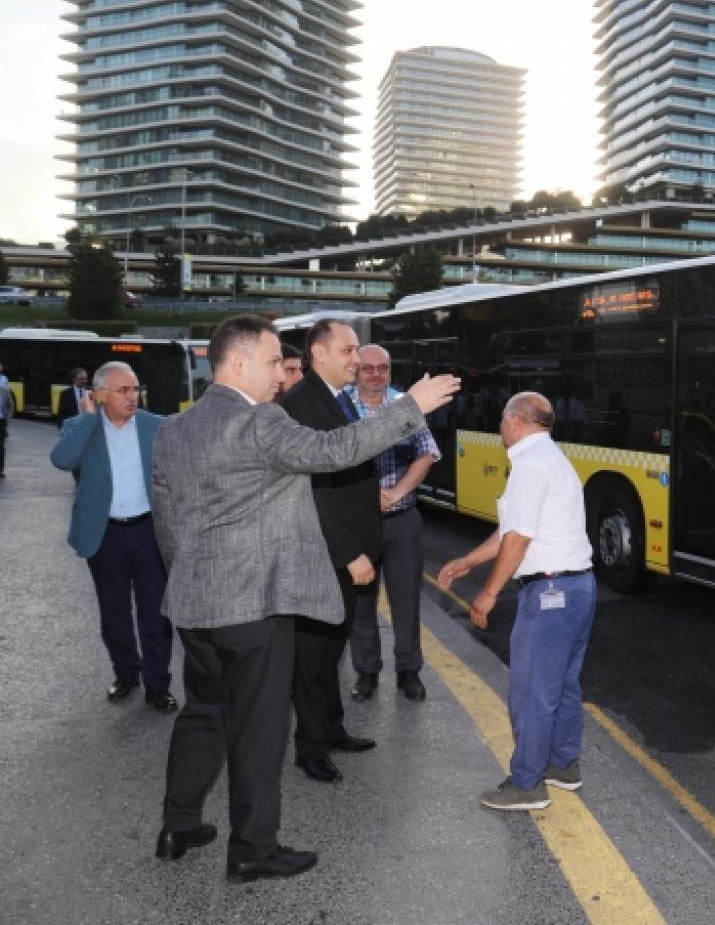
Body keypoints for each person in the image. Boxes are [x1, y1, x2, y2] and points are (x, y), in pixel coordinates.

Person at [149, 314, 458, 884]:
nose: (280, 374)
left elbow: (167, 525)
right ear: (237, 363)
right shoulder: (260, 422)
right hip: (255, 608)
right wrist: (408, 406)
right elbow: (336, 450)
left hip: (195, 604)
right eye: (272, 362)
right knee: (260, 730)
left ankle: (178, 825)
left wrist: (189, 580)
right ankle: (252, 850)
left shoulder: (174, 429)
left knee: (202, 715)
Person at [438, 391, 596, 811]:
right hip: (577, 588)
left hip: (549, 595)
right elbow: (514, 529)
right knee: (562, 684)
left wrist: (488, 593)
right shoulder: (550, 459)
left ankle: (526, 784)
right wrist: (468, 561)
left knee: (531, 693)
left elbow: (519, 539)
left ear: (514, 421)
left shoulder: (529, 466)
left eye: (501, 420)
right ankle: (563, 766)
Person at [280, 320, 381, 783]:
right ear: (319, 353)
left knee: (332, 649)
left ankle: (332, 730)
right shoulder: (302, 404)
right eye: (349, 350)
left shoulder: (334, 399)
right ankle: (311, 747)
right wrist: (348, 553)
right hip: (324, 555)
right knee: (314, 657)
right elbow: (316, 491)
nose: (356, 359)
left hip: (345, 549)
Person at [49, 361, 174, 710]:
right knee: (114, 610)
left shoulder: (156, 426)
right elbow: (61, 460)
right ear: (99, 394)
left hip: (149, 531)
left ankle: (157, 683)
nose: (133, 397)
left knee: (156, 612)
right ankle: (126, 674)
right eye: (123, 390)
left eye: (135, 389)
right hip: (105, 535)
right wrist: (88, 419)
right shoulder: (81, 427)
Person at [347, 344, 440, 703]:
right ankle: (366, 672)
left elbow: (427, 453)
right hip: (359, 522)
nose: (375, 374)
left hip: (402, 519)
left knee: (407, 600)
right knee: (361, 600)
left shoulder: (406, 405)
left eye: (381, 368)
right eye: (367, 368)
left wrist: (395, 493)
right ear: (357, 371)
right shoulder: (341, 407)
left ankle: (408, 671)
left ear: (389, 370)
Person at [0, 378, 13, 478]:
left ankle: (0, 470)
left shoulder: (4, 391)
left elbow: (10, 406)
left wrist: (7, 419)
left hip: (1, 421)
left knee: (0, 447)